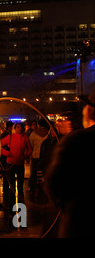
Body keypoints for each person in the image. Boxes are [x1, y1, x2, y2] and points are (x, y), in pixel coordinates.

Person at [46, 89, 95, 237]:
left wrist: (62, 203)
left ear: (88, 111)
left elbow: (54, 181)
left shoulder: (75, 140)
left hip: (80, 221)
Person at [1, 122, 32, 209]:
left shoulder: (25, 138)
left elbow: (30, 149)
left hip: (20, 164)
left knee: (20, 185)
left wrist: (26, 155)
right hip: (10, 163)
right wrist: (7, 153)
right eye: (18, 127)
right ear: (15, 128)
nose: (20, 129)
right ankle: (11, 205)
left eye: (21, 127)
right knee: (11, 186)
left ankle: (20, 205)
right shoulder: (10, 137)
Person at [28, 119, 49, 196]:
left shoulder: (34, 134)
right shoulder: (49, 133)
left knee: (34, 173)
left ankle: (32, 189)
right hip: (45, 157)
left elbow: (30, 144)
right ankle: (43, 189)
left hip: (35, 155)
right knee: (44, 173)